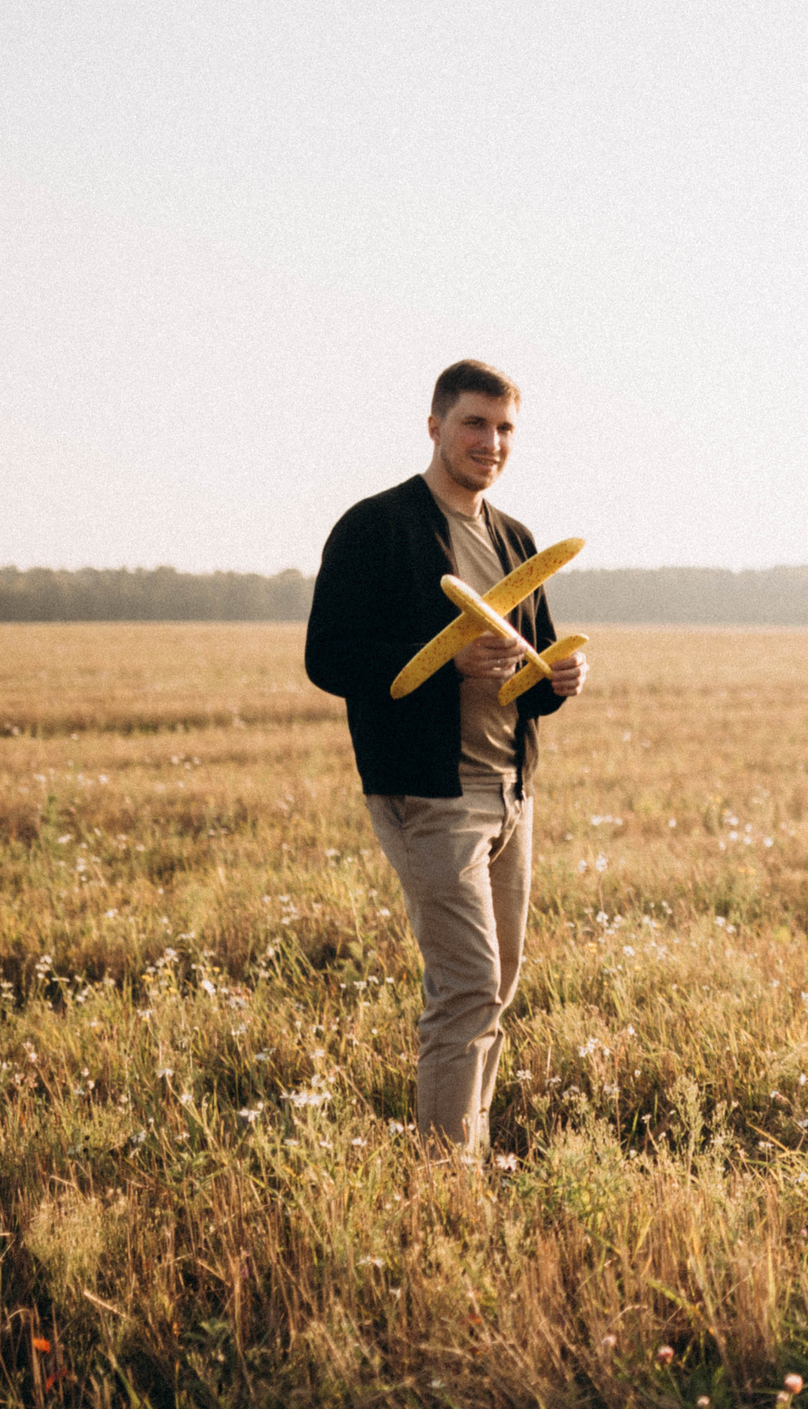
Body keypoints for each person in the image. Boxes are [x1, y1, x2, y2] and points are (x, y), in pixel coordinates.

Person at [304, 359, 589, 1159]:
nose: (490, 442)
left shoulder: (515, 540)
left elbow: (527, 676)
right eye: (474, 423)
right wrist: (445, 664)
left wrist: (557, 678)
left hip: (509, 792)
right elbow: (328, 658)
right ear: (435, 426)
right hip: (428, 794)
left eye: (504, 428)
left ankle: (467, 1154)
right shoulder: (376, 528)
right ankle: (442, 1183)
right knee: (466, 986)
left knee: (495, 986)